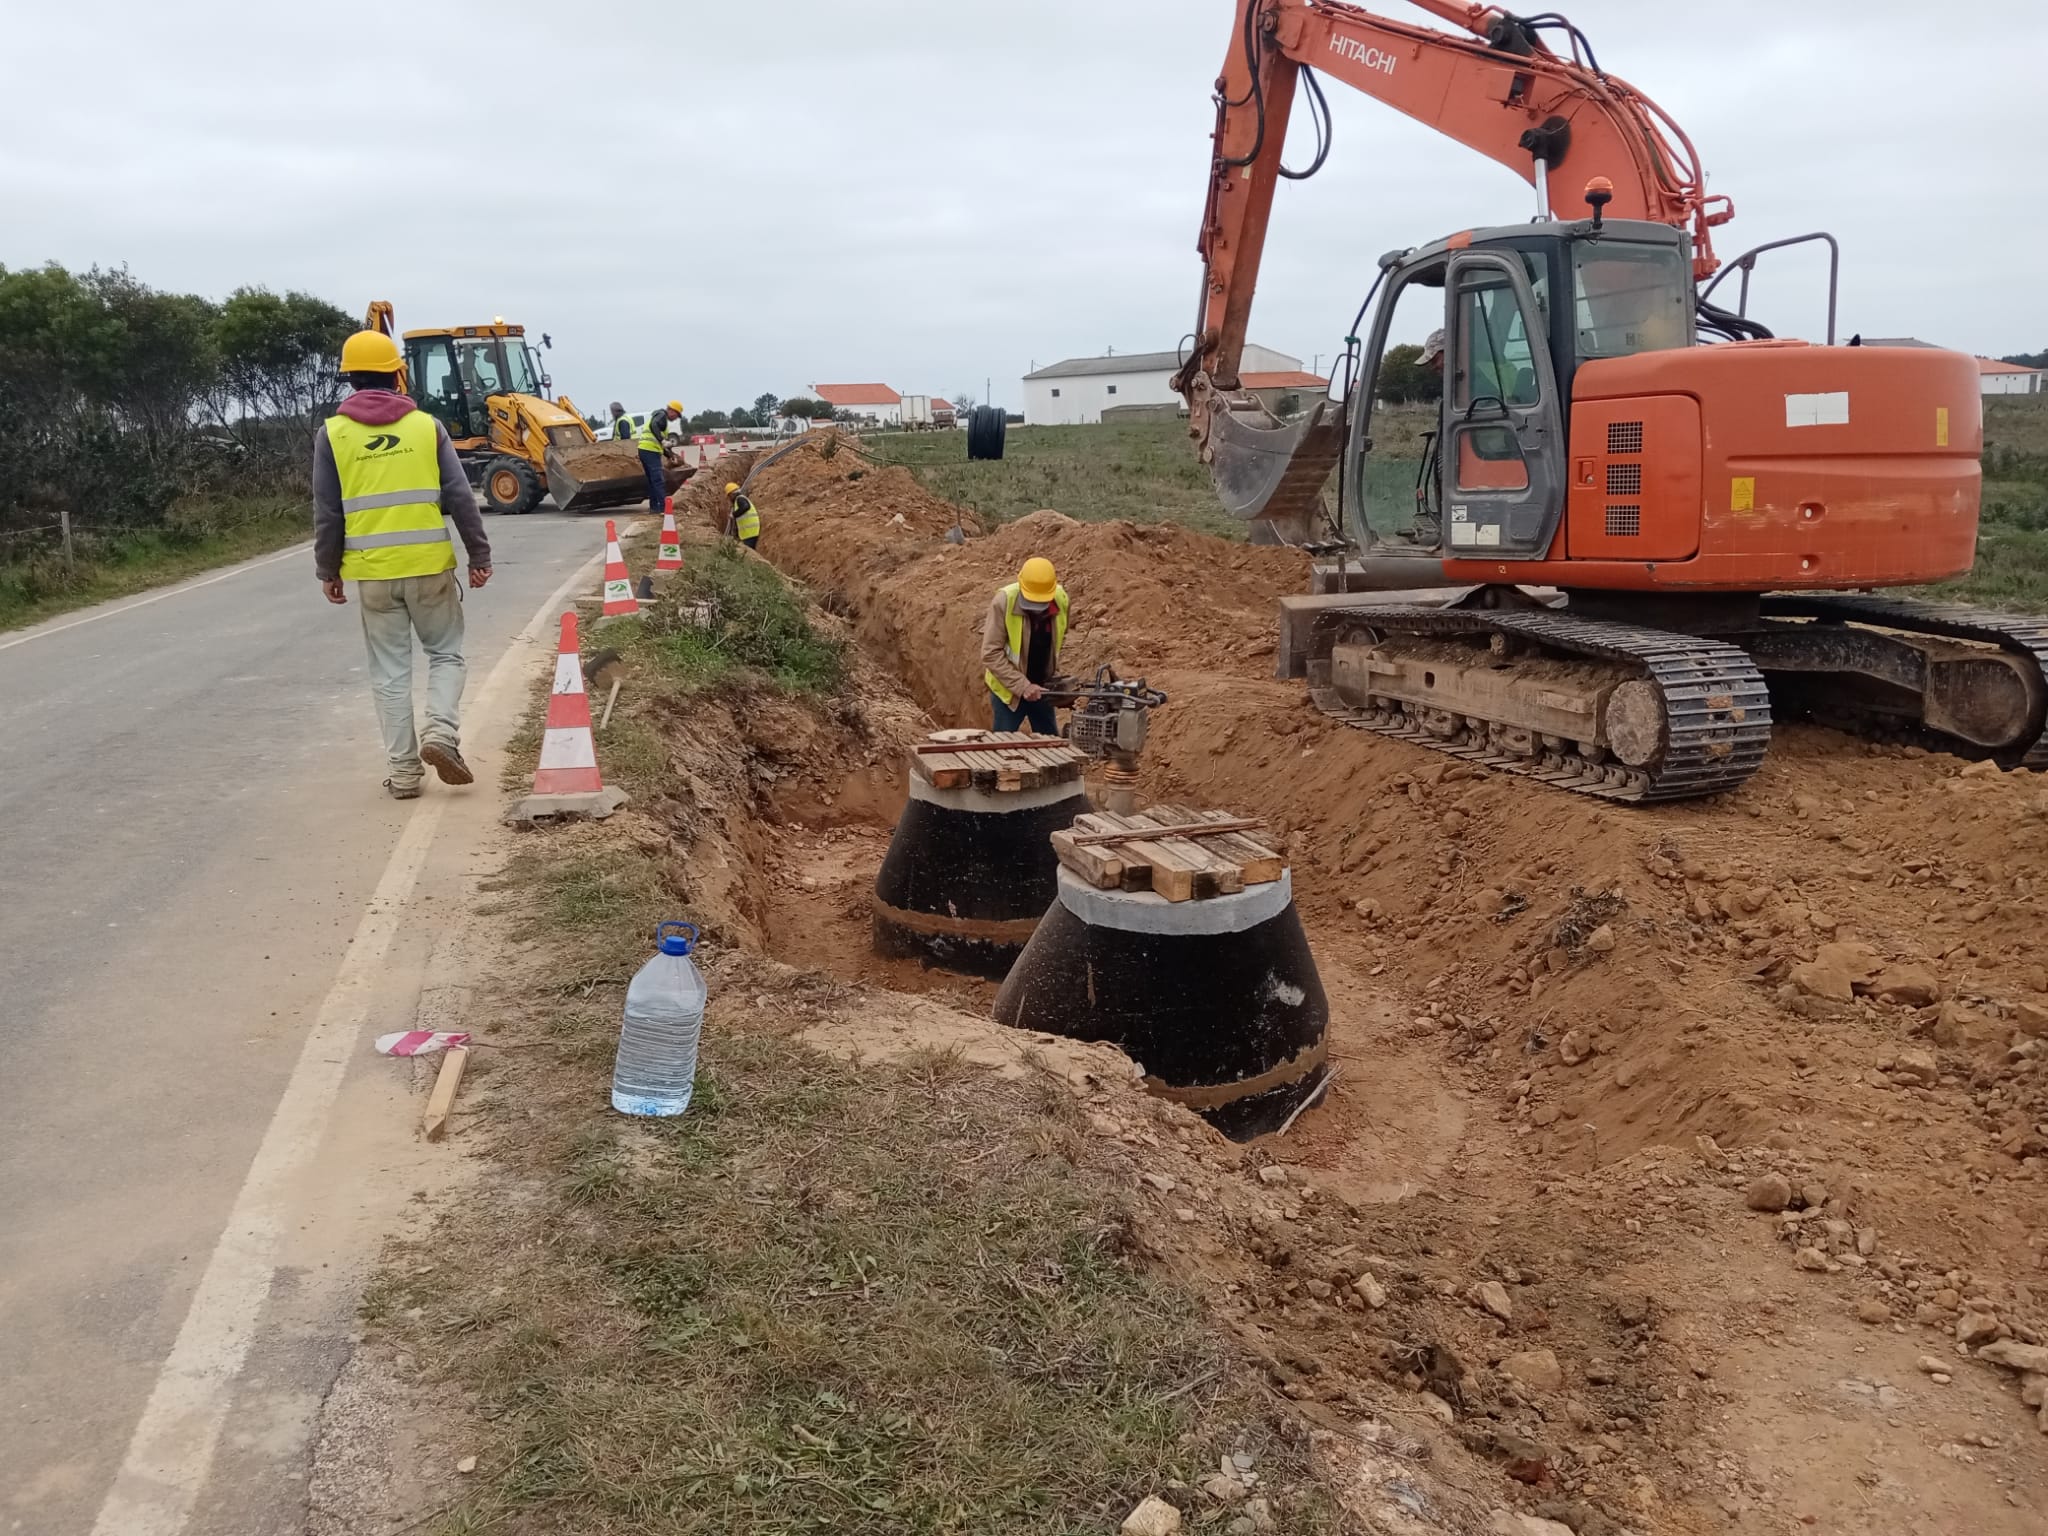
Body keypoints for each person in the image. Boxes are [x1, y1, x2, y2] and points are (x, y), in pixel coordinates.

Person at [314, 330, 493, 800]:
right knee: (446, 655)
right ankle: (441, 734)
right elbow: (460, 497)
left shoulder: (331, 434)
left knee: (390, 674)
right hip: (430, 567)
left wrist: (328, 571)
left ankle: (405, 774)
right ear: (398, 373)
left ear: (349, 378)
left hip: (373, 575)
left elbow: (327, 513)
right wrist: (479, 555)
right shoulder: (426, 427)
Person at [981, 556, 1068, 735]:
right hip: (1009, 690)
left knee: (1051, 747)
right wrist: (1023, 686)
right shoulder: (1004, 601)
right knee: (1001, 749)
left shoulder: (1061, 599)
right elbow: (990, 653)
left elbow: (1058, 638)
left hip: (1042, 688)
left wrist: (1052, 678)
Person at [634, 399, 682, 512]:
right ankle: (664, 508)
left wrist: (669, 454)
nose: (676, 418)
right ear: (671, 410)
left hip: (644, 450)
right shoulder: (661, 416)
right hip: (650, 452)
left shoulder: (660, 418)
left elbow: (658, 443)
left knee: (652, 481)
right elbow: (653, 425)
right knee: (658, 480)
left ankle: (654, 508)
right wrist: (662, 440)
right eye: (676, 414)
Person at [726, 482, 760, 548]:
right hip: (749, 532)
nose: (729, 498)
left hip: (750, 532)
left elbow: (745, 507)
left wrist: (734, 515)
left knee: (747, 553)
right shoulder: (739, 500)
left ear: (732, 494)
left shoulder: (740, 499)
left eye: (729, 496)